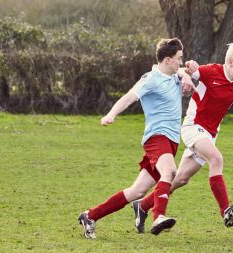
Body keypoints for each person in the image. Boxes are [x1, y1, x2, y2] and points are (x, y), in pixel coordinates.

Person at [132, 41, 233, 232]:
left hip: (210, 134)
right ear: (230, 62)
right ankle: (225, 210)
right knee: (216, 158)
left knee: (180, 180)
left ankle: (142, 206)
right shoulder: (211, 71)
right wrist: (189, 71)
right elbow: (181, 71)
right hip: (193, 127)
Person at [78, 37, 197, 238]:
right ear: (167, 60)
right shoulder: (150, 79)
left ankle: (90, 216)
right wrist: (111, 114)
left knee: (137, 191)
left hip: (171, 141)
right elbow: (129, 97)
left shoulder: (174, 74)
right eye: (178, 58)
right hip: (156, 138)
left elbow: (185, 75)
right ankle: (158, 216)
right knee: (170, 172)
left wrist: (186, 73)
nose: (181, 61)